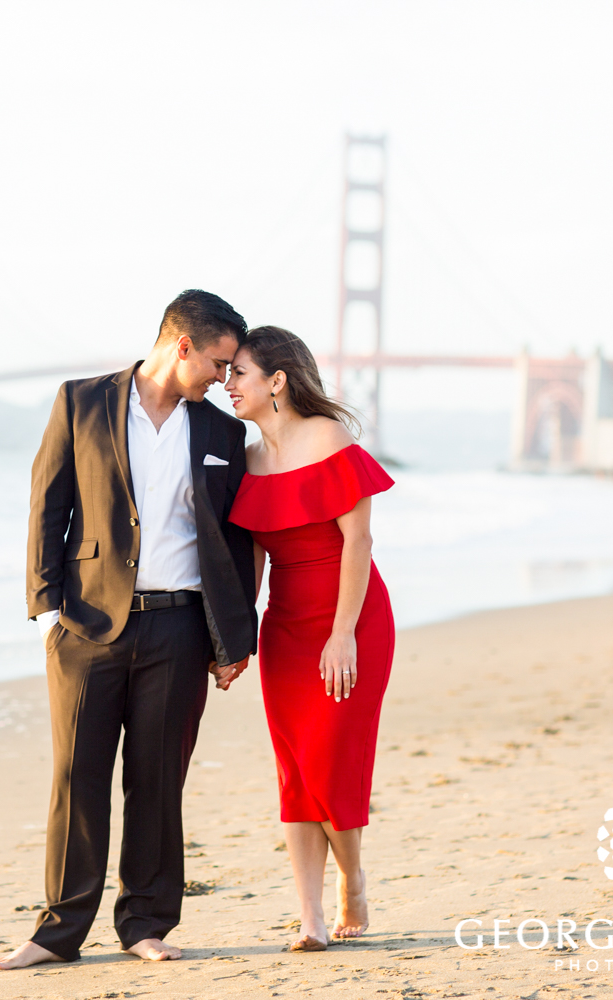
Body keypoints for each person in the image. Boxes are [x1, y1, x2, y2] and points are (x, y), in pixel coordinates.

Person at [0, 290, 258, 970]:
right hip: (87, 630)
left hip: (181, 630)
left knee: (157, 781)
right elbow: (46, 503)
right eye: (221, 364)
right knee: (76, 779)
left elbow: (232, 544)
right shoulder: (80, 402)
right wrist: (46, 608)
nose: (226, 381)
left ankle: (145, 923)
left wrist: (233, 641)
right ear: (183, 346)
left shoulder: (223, 434)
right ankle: (57, 932)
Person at [221, 326, 396, 952]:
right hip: (287, 627)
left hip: (351, 619)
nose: (227, 382)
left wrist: (343, 634)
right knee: (295, 771)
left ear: (277, 381)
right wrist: (236, 639)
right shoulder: (248, 460)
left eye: (238, 371)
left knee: (330, 762)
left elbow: (359, 541)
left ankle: (352, 876)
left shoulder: (327, 439)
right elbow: (259, 560)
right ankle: (311, 920)